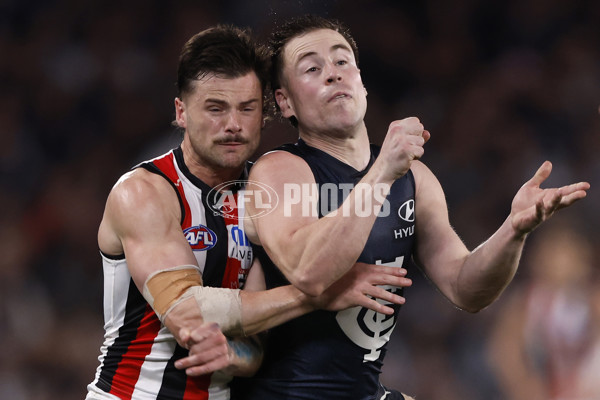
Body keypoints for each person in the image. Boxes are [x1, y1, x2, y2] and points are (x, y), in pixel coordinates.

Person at [230, 15, 590, 400]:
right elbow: (310, 273)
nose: (332, 74)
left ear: (361, 81)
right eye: (312, 68)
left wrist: (512, 231)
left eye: (341, 61)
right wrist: (382, 171)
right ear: (286, 101)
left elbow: (467, 289)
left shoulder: (412, 177)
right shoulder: (280, 171)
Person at [85, 25, 412, 400]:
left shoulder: (264, 197)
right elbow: (187, 311)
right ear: (181, 112)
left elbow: (253, 348)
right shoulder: (144, 191)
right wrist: (316, 294)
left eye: (247, 108)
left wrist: (231, 355)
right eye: (215, 109)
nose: (233, 125)